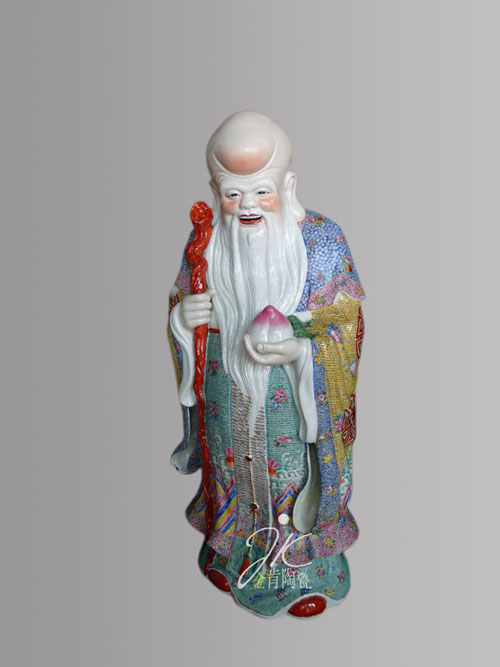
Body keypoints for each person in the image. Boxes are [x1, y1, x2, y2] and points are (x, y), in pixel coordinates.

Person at [168, 111, 365, 618]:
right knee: (229, 468)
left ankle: (300, 569)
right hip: (226, 397)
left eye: (261, 191)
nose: (247, 206)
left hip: (291, 408)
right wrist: (183, 319)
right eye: (233, 194)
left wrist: (302, 351)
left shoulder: (321, 240)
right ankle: (232, 551)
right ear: (215, 191)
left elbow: (345, 324)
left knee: (289, 481)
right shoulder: (206, 243)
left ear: (287, 185)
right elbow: (182, 298)